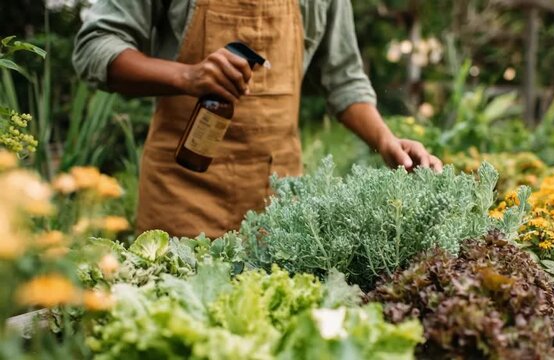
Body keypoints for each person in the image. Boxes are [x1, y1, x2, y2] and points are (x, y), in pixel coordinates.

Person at [73, 0, 443, 238]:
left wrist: (385, 141)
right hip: (181, 196)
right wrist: (187, 77)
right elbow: (95, 47)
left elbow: (343, 78)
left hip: (280, 203)